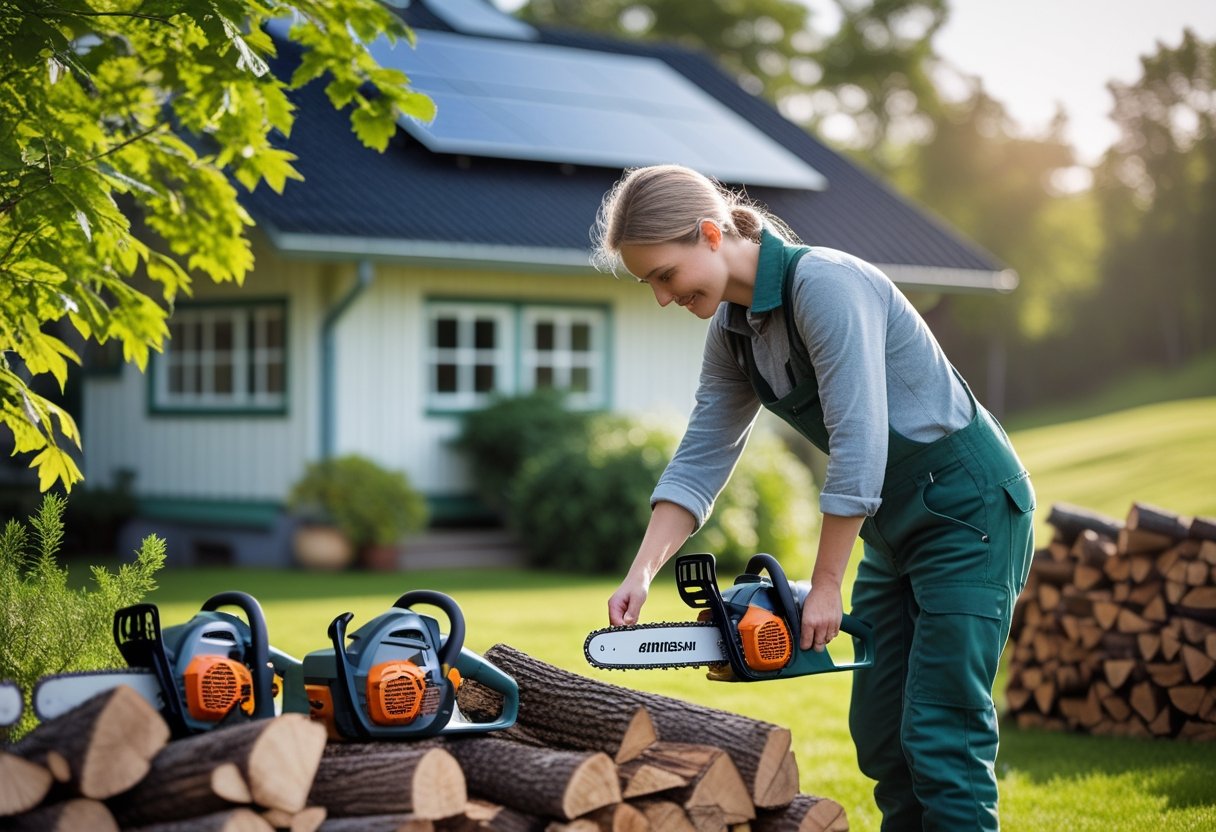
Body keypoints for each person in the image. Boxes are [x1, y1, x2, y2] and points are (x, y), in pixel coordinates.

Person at [592, 164, 1036, 831]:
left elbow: (860, 443)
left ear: (711, 234)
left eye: (663, 275)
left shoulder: (827, 285)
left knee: (943, 734)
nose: (661, 297)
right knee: (883, 734)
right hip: (892, 530)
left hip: (967, 515)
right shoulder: (735, 333)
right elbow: (702, 453)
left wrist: (826, 583)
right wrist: (642, 570)